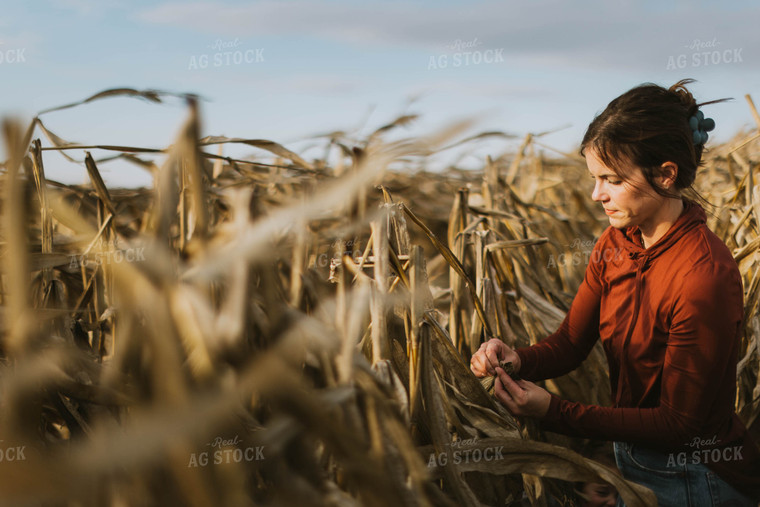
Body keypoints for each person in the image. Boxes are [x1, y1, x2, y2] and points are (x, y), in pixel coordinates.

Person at [470, 79, 760, 506]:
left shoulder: (703, 275)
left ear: (665, 174)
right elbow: (571, 342)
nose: (596, 194)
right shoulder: (614, 244)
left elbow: (680, 425)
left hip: (696, 479)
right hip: (636, 465)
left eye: (612, 179)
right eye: (594, 178)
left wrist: (554, 412)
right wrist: (520, 359)